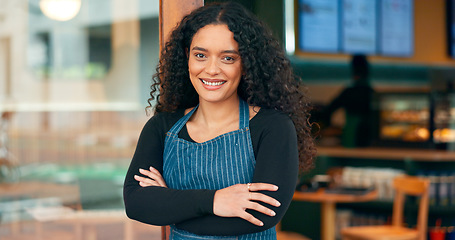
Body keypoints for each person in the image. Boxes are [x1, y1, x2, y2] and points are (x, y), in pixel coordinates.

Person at [123, 2, 316, 239]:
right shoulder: (161, 127)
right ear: (187, 57)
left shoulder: (272, 127)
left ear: (245, 63)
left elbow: (263, 215)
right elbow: (135, 203)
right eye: (201, 55)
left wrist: (169, 202)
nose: (212, 69)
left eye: (227, 58)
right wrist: (215, 201)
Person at [322, 54, 375, 148]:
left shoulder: (349, 92)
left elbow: (329, 110)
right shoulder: (371, 92)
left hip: (351, 137)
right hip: (369, 140)